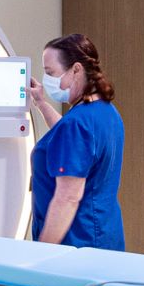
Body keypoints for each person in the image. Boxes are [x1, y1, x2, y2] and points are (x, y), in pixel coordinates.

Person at [24, 33, 124, 250]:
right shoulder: (105, 111)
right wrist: (40, 102)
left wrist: (41, 252)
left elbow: (67, 199)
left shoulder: (77, 123)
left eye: (50, 72)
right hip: (103, 236)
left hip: (76, 243)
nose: (47, 78)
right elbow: (72, 142)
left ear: (76, 69)